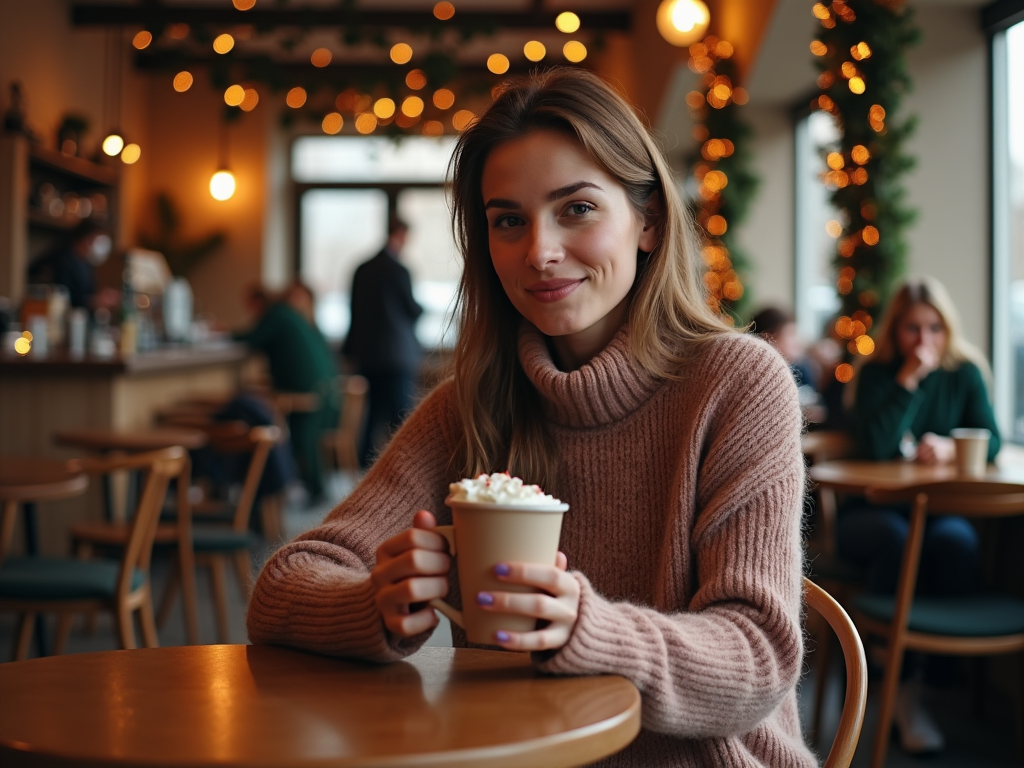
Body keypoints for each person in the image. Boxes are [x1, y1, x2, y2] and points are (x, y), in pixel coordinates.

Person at [248, 69, 814, 767]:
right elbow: (284, 585)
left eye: (576, 208)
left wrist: (586, 628)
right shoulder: (471, 404)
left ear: (648, 222)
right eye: (508, 220)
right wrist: (375, 602)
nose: (539, 251)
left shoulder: (736, 384)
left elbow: (757, 657)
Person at [838, 276, 1001, 754]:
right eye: (912, 328)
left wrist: (950, 446)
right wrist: (907, 381)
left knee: (957, 543)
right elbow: (874, 445)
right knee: (893, 538)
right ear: (896, 329)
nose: (924, 341)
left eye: (934, 328)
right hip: (871, 511)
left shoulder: (965, 372)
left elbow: (988, 438)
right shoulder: (876, 374)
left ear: (947, 328)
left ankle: (930, 676)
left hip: (935, 512)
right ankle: (899, 683)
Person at [233, 285, 339, 504]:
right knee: (302, 434)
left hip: (305, 388)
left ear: (259, 303)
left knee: (301, 435)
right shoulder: (289, 316)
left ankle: (303, 487)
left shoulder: (276, 315)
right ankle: (309, 486)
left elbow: (251, 338)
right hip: (321, 386)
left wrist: (223, 333)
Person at [342, 216, 424, 468]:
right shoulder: (399, 270)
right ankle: (405, 465)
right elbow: (411, 309)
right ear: (400, 234)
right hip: (396, 354)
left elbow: (353, 310)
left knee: (373, 412)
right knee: (401, 415)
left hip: (367, 354)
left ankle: (365, 466)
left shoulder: (362, 268)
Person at [27, 219, 117, 310]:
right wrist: (95, 301)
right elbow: (65, 299)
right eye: (99, 240)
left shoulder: (86, 263)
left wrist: (101, 297)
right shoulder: (63, 261)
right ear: (85, 239)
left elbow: (89, 293)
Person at [749, 305, 818, 391]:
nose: (797, 342)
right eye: (791, 334)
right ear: (768, 338)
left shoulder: (801, 369)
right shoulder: (757, 374)